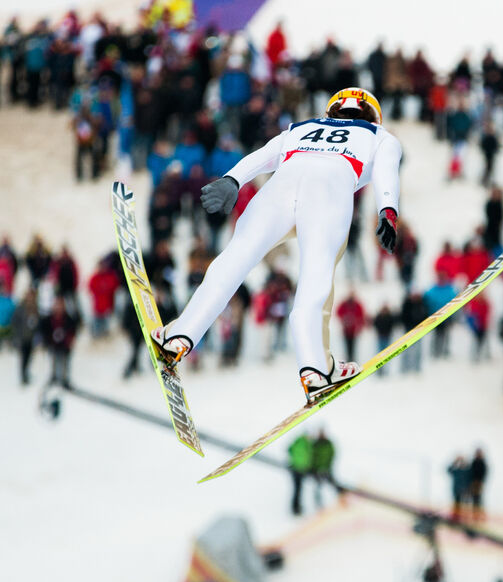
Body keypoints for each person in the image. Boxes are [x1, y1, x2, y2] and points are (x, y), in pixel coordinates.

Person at [150, 88, 402, 404]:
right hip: (329, 193)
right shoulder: (381, 136)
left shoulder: (301, 127)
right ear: (373, 115)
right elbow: (385, 172)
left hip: (279, 189)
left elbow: (262, 156)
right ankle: (315, 369)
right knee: (315, 278)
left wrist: (231, 180)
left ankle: (179, 336)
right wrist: (387, 210)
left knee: (233, 261)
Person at [11, 288, 40, 385]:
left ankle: (27, 373)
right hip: (22, 337)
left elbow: (38, 322)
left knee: (29, 357)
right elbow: (15, 322)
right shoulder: (20, 308)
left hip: (31, 337)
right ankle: (23, 375)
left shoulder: (35, 308)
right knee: (23, 357)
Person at [288, 433, 314, 516]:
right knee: (297, 489)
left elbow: (308, 456)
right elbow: (290, 450)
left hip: (302, 469)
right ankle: (295, 508)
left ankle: (297, 508)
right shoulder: (300, 442)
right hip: (296, 469)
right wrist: (294, 463)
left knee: (299, 489)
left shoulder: (308, 443)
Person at [469, 447, 488, 520]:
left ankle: (480, 516)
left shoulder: (482, 462)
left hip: (479, 483)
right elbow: (471, 473)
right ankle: (475, 516)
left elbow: (484, 474)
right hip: (473, 483)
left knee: (479, 499)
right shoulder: (474, 462)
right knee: (474, 500)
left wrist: (481, 482)